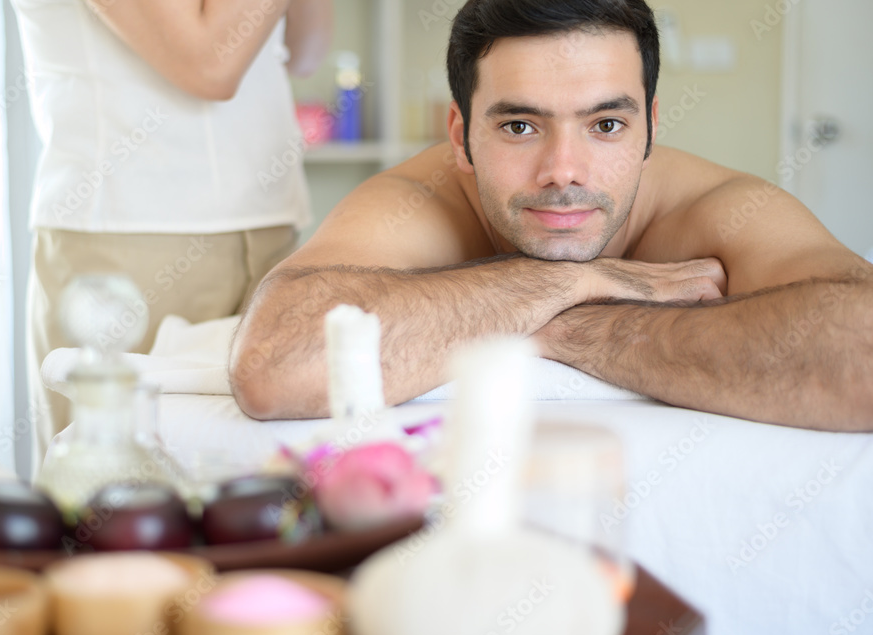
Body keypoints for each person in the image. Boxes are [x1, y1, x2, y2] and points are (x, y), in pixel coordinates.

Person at [230, 0, 873, 432]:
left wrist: (571, 328)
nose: (563, 170)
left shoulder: (717, 211)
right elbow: (276, 360)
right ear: (460, 136)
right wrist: (565, 285)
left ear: (649, 129)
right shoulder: (421, 203)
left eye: (606, 125)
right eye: (519, 124)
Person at [13, 0, 333, 474]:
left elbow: (307, 51)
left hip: (268, 226)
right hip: (128, 242)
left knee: (261, 489)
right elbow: (210, 62)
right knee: (113, 497)